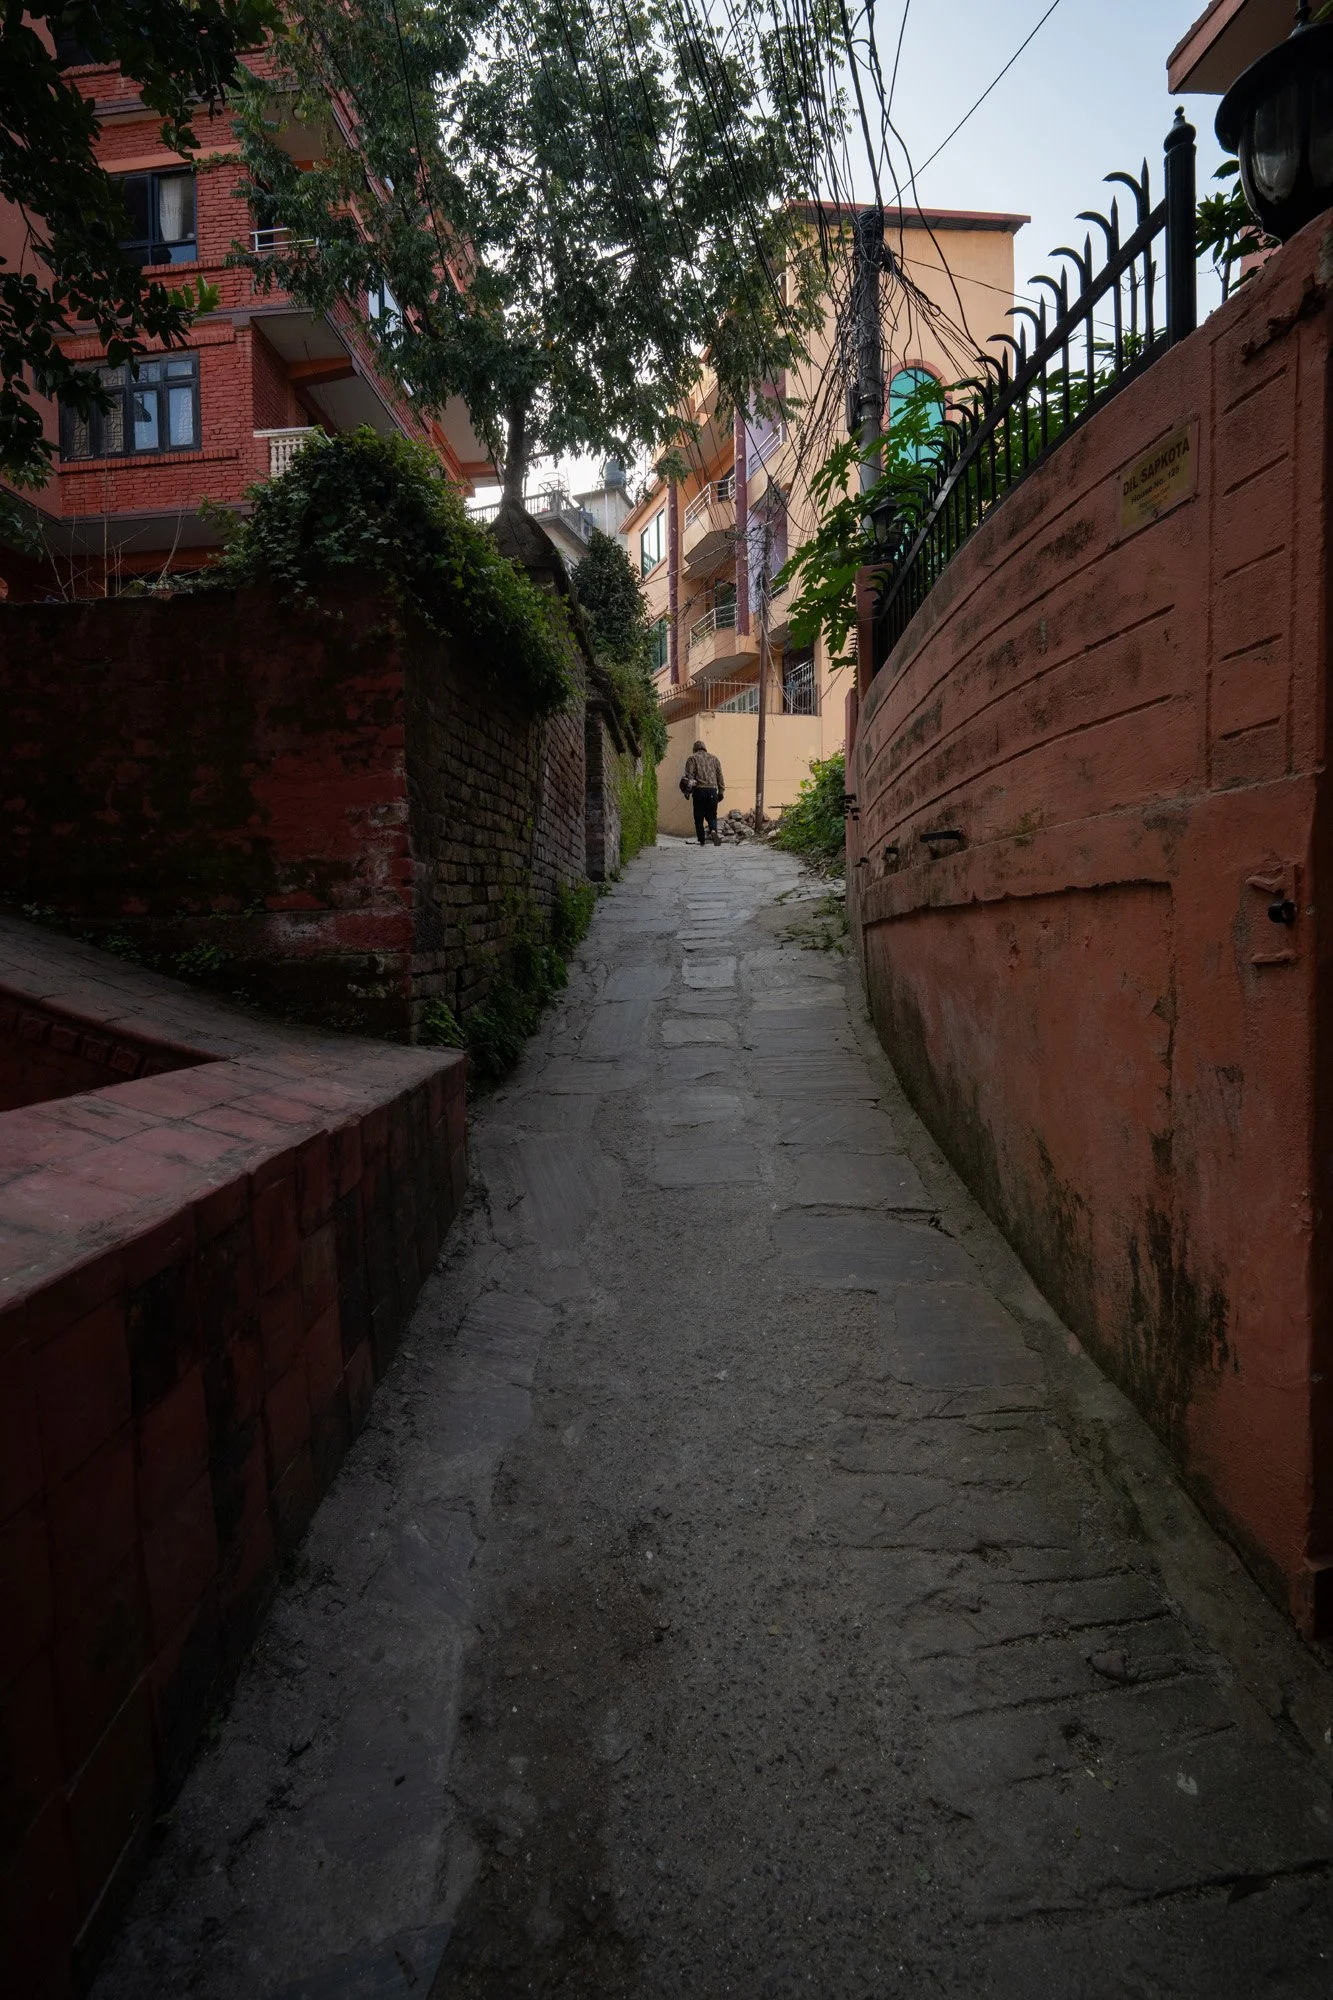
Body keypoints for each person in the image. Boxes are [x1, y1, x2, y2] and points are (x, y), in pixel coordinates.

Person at [684, 739, 724, 846]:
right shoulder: (714, 759)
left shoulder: (692, 758)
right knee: (712, 815)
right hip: (712, 791)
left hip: (699, 791)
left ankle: (702, 841)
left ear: (695, 749)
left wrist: (687, 792)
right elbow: (719, 775)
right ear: (705, 748)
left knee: (699, 817)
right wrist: (721, 791)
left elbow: (689, 777)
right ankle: (714, 831)